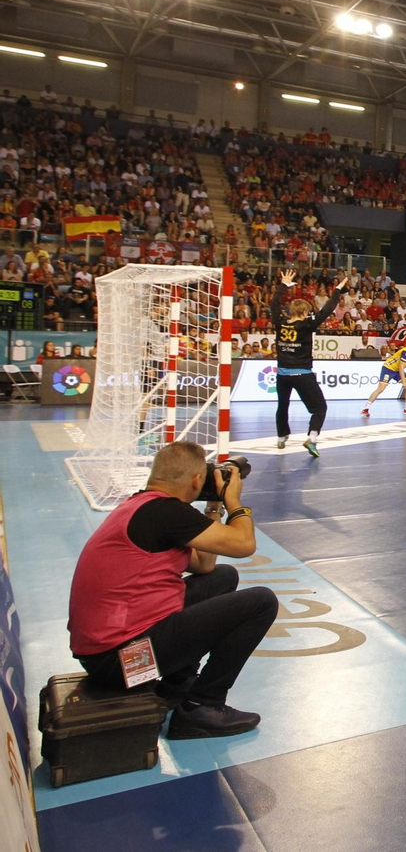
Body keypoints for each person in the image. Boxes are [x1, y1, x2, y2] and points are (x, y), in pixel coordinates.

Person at [67, 442, 276, 739]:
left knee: (221, 577)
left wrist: (213, 506)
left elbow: (204, 565)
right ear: (195, 480)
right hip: (123, 667)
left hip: (107, 659)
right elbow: (243, 544)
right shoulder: (167, 513)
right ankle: (201, 707)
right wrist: (233, 500)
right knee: (262, 602)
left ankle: (176, 686)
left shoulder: (143, 506)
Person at [271, 270, 348, 457]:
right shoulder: (307, 325)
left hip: (282, 375)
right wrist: (337, 290)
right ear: (304, 312)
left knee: (282, 405)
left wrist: (283, 285)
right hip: (302, 374)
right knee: (320, 407)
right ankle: (312, 438)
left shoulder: (280, 322)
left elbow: (273, 305)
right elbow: (327, 310)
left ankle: (282, 437)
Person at [360, 327, 406, 418]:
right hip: (388, 368)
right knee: (381, 388)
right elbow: (401, 366)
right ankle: (366, 408)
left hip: (396, 370)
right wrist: (403, 381)